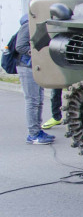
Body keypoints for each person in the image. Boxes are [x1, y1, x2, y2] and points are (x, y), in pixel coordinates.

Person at [15, 14, 54, 145]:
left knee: (38, 100)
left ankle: (38, 131)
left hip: (36, 67)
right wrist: (37, 53)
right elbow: (20, 46)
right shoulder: (28, 25)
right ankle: (33, 135)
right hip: (26, 67)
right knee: (32, 101)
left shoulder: (38, 24)